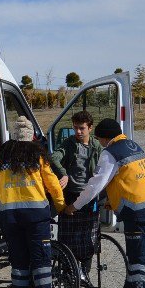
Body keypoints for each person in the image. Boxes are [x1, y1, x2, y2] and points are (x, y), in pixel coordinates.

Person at [64, 118, 145, 288]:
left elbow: (96, 183)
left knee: (138, 258)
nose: (99, 142)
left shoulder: (111, 152)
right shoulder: (132, 145)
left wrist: (74, 206)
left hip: (137, 211)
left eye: (99, 138)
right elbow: (127, 179)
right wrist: (114, 199)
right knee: (134, 255)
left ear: (104, 137)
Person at [0, 116, 65, 288]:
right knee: (41, 263)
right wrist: (60, 206)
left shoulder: (2, 157)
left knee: (19, 264)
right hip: (36, 217)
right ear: (31, 135)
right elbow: (52, 184)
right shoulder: (37, 155)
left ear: (14, 136)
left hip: (9, 217)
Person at [50, 111, 102, 275]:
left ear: (90, 128)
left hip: (90, 196)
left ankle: (84, 273)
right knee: (67, 237)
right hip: (71, 195)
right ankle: (68, 272)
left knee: (89, 236)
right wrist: (63, 173)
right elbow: (54, 158)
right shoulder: (69, 143)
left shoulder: (97, 146)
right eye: (75, 128)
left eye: (82, 128)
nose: (78, 132)